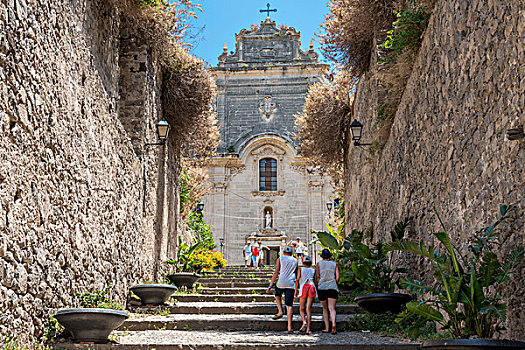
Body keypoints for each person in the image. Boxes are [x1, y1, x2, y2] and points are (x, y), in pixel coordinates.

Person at [266, 246, 298, 333]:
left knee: (277, 295)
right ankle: (289, 327)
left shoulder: (280, 258)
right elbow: (296, 273)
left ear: (283, 252)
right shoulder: (295, 260)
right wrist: (297, 288)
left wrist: (270, 285)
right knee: (289, 305)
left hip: (281, 282)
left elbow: (276, 272)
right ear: (291, 253)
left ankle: (280, 311)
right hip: (291, 283)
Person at [314, 248, 339, 334]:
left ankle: (327, 328)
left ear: (322, 256)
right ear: (329, 256)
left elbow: (317, 277)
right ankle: (334, 324)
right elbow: (337, 277)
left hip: (322, 287)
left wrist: (318, 284)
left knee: (325, 308)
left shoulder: (319, 264)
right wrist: (333, 283)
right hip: (332, 287)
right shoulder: (334, 264)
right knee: (332, 308)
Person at [294, 256, 316, 334]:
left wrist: (296, 290)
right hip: (312, 286)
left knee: (302, 308)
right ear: (310, 264)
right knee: (308, 309)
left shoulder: (301, 269)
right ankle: (308, 329)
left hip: (304, 287)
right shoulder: (313, 270)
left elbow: (297, 279)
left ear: (303, 263)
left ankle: (304, 322)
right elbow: (315, 280)